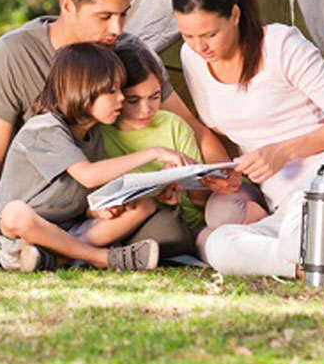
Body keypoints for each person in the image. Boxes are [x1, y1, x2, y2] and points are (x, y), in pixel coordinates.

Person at [0, 0, 233, 268]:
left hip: (99, 207)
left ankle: (54, 254)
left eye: (123, 14)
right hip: (43, 204)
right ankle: (78, 254)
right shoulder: (14, 55)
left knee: (168, 233)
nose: (117, 29)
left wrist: (226, 184)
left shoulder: (129, 50)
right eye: (104, 16)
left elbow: (192, 128)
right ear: (68, 6)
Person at [172, 0, 324, 277]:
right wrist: (232, 175)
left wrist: (284, 151)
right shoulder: (194, 59)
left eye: (209, 34)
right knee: (217, 242)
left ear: (235, 15)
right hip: (281, 207)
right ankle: (306, 263)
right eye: (187, 35)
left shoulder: (281, 46)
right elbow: (227, 131)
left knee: (306, 217)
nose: (200, 46)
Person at [0, 43, 194, 271]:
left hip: (69, 232)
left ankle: (60, 258)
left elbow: (78, 195)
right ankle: (102, 258)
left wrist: (98, 208)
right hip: (19, 239)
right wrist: (155, 152)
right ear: (82, 91)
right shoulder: (43, 129)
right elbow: (88, 176)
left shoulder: (93, 135)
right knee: (15, 213)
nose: (122, 98)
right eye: (112, 91)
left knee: (143, 204)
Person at [102, 38, 269, 256]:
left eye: (154, 97)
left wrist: (182, 180)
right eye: (134, 100)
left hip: (211, 205)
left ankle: (265, 221)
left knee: (223, 213)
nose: (146, 110)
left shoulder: (172, 124)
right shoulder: (103, 135)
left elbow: (200, 200)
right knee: (215, 249)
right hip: (182, 225)